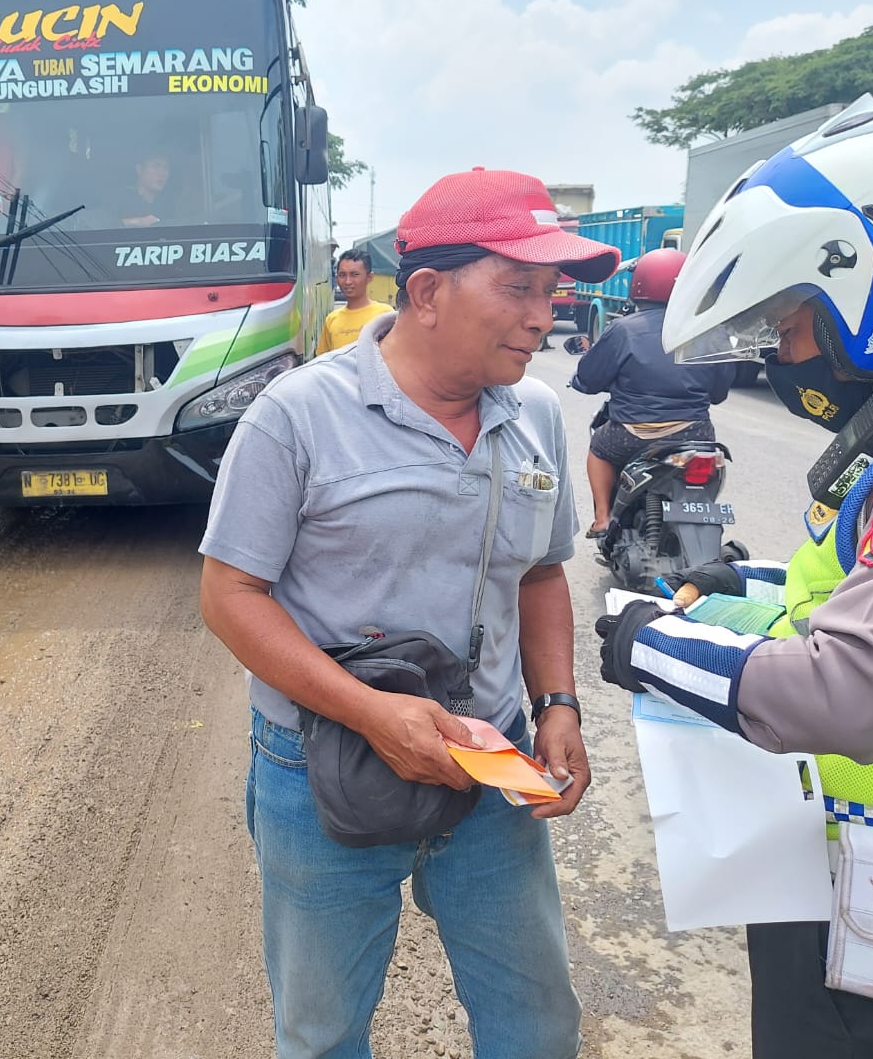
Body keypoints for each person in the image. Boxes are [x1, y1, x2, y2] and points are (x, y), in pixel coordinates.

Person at [594, 97, 873, 1058]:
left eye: (791, 319)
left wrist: (652, 646)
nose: (783, 352)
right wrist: (759, 588)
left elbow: (846, 689)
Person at [199, 167, 618, 1059]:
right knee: (321, 1032)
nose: (544, 317)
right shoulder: (300, 417)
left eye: (550, 293)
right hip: (324, 761)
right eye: (518, 288)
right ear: (426, 292)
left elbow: (541, 574)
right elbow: (229, 596)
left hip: (490, 756)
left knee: (537, 1022)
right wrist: (371, 714)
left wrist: (558, 706)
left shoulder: (535, 413)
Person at [569, 249, 733, 537]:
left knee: (599, 450)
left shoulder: (623, 330)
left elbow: (588, 380)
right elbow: (718, 393)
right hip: (696, 434)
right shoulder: (710, 331)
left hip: (632, 435)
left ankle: (603, 519)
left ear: (639, 285)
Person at [317, 248, 392, 355]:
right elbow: (323, 361)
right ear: (337, 278)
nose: (348, 281)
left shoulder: (385, 314)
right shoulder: (332, 320)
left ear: (369, 277)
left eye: (355, 274)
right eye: (342, 275)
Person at [118, 148, 173, 227]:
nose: (162, 173)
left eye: (166, 168)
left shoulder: (168, 205)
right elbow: (101, 226)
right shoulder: (120, 199)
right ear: (139, 169)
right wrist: (137, 221)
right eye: (156, 166)